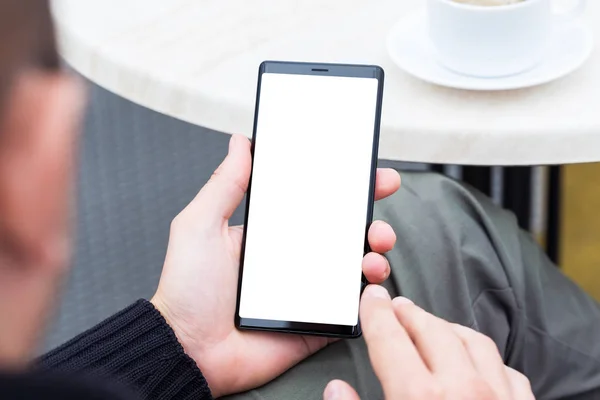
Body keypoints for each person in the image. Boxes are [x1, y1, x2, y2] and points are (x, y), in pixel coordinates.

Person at [0, 1, 597, 399]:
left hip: (170, 358)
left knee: (425, 219)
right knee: (459, 237)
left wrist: (174, 339)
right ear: (46, 138)